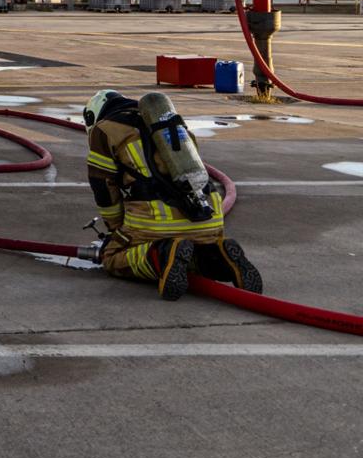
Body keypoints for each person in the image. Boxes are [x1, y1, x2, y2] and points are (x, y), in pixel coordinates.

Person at [84, 89, 262, 300]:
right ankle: (219, 257)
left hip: (158, 221)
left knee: (112, 257)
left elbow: (103, 187)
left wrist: (116, 230)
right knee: (190, 255)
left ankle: (161, 254)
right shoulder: (168, 122)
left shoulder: (103, 131)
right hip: (209, 216)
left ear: (93, 116)